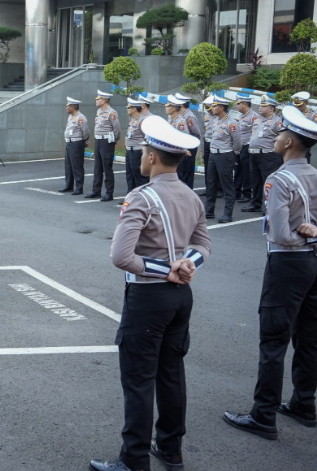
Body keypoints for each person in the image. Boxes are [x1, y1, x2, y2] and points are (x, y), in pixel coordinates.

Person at [90, 115, 210, 471]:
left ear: (153, 157)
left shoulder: (141, 197)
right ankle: (170, 449)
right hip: (180, 298)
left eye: (143, 150)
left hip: (148, 297)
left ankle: (134, 458)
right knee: (171, 373)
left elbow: (120, 256)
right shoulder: (191, 195)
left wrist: (167, 269)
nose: (141, 156)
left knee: (139, 380)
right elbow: (203, 243)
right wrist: (186, 264)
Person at [224, 105, 317, 440]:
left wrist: (300, 236)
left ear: (289, 143)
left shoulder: (278, 179)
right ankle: (303, 404)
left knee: (274, 340)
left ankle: (263, 415)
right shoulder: (314, 174)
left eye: (281, 134)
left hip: (288, 263)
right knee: (308, 339)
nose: (276, 137)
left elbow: (279, 234)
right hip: (313, 260)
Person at [243, 95, 283, 214]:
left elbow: (283, 137)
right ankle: (255, 203)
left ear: (272, 109)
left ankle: (270, 206)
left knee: (269, 182)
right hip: (254, 154)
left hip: (269, 155)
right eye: (260, 106)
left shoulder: (277, 121)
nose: (260, 108)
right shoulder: (257, 119)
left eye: (264, 106)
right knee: (255, 180)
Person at [205, 95, 241, 223]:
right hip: (213, 155)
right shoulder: (215, 120)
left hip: (225, 155)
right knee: (211, 183)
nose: (212, 108)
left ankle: (228, 214)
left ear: (221, 107)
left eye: (215, 106)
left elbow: (237, 141)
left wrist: (233, 154)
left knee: (227, 185)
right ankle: (209, 211)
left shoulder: (231, 123)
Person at [85, 90, 121, 202]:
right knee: (97, 167)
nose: (96, 100)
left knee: (107, 168)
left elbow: (117, 129)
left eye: (98, 99)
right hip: (98, 141)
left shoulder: (112, 113)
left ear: (103, 100)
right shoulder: (99, 111)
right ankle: (96, 191)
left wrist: (113, 141)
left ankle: (109, 193)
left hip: (107, 141)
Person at [59, 97, 90, 195]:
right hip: (69, 143)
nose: (66, 108)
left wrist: (83, 141)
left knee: (77, 165)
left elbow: (86, 131)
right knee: (68, 165)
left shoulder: (80, 118)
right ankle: (69, 185)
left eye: (68, 106)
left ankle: (79, 187)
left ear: (73, 107)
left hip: (76, 143)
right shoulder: (71, 117)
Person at [234, 94, 260, 203]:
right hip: (240, 146)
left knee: (246, 171)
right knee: (238, 170)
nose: (237, 106)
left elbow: (256, 133)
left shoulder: (254, 116)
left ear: (245, 104)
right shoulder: (242, 116)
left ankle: (247, 194)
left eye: (239, 104)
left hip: (247, 146)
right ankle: (237, 192)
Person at [123, 97, 148, 195]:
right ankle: (131, 195)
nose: (128, 109)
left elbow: (147, 136)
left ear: (134, 109)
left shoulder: (143, 121)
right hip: (129, 150)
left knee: (138, 174)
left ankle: (142, 195)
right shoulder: (133, 119)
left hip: (137, 151)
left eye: (129, 108)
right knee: (129, 174)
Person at [180, 96, 202, 189]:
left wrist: (190, 144)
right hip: (182, 146)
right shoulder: (180, 115)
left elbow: (196, 133)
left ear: (181, 104)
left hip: (189, 146)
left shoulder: (189, 117)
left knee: (188, 171)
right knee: (181, 171)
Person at [199, 96, 215, 197]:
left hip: (216, 143)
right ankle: (208, 188)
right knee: (207, 166)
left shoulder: (220, 116)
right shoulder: (206, 115)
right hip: (207, 142)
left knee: (216, 167)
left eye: (209, 107)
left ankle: (219, 188)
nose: (208, 109)